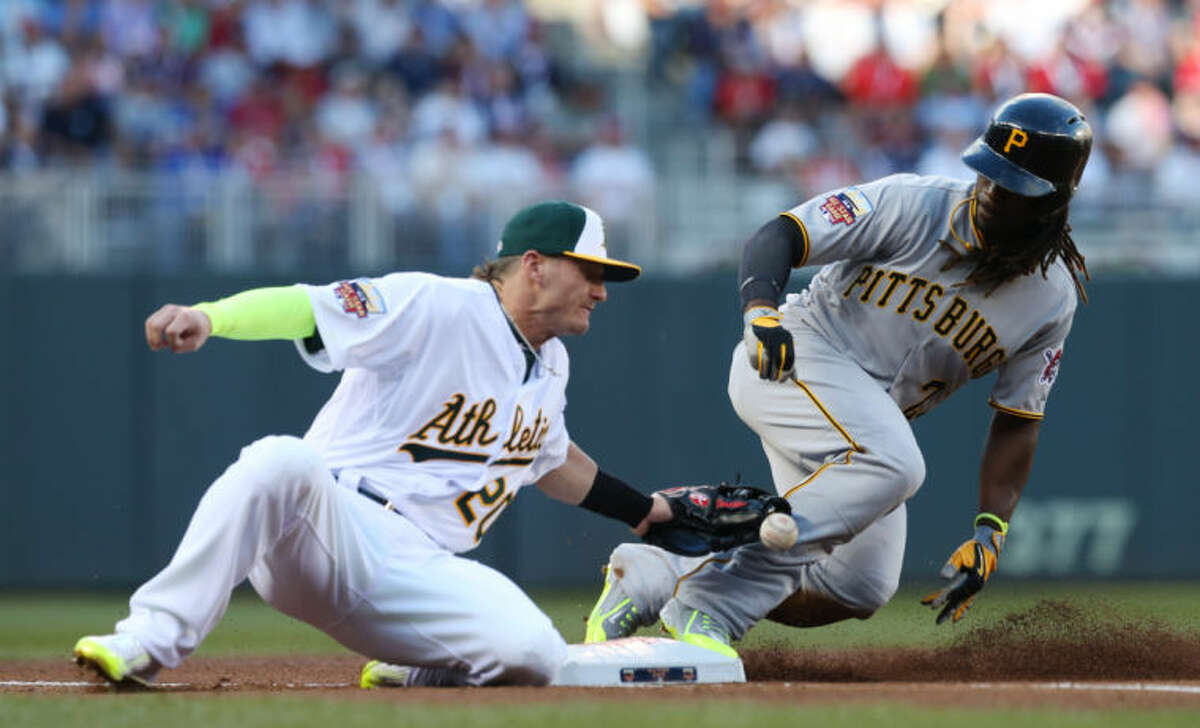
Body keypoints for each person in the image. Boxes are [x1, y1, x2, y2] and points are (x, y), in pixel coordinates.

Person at [74, 200, 673, 688]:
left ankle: (419, 665)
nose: (601, 291)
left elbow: (553, 461)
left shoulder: (553, 364)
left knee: (535, 654)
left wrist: (646, 514)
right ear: (535, 265)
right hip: (326, 524)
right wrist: (210, 316)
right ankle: (147, 641)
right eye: (591, 273)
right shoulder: (438, 304)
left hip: (422, 570)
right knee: (280, 459)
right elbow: (305, 307)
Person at [584, 93, 1093, 656]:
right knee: (896, 464)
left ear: (1053, 203)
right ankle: (713, 605)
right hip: (797, 354)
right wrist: (760, 312)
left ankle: (660, 573)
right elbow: (781, 235)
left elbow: (1019, 420)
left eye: (1014, 186)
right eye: (987, 172)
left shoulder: (1050, 299)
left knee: (858, 585)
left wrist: (990, 529)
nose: (992, 191)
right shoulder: (911, 203)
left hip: (861, 427)